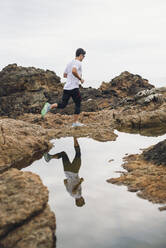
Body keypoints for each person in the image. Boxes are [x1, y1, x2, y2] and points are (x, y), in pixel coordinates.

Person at [41, 48, 86, 127]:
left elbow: (64, 75)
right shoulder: (78, 62)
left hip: (66, 87)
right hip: (74, 88)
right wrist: (80, 79)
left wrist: (72, 77)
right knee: (78, 103)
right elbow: (74, 71)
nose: (84, 58)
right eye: (84, 56)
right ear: (81, 55)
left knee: (63, 104)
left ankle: (49, 106)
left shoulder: (69, 63)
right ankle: (75, 123)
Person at [44, 137, 85, 207]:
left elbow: (74, 191)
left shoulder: (78, 195)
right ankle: (49, 157)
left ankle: (75, 137)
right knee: (63, 154)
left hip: (74, 172)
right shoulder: (69, 193)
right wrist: (71, 181)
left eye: (83, 201)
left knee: (78, 154)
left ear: (79, 201)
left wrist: (80, 181)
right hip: (67, 171)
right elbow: (65, 181)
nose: (83, 199)